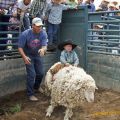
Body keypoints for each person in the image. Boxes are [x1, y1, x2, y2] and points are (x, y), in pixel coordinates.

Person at [18, 17, 47, 101]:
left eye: (41, 26)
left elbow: (44, 45)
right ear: (33, 25)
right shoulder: (25, 34)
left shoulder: (43, 33)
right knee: (32, 75)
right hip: (29, 55)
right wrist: (24, 57)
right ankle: (30, 94)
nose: (39, 28)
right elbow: (20, 47)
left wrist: (43, 49)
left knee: (41, 73)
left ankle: (37, 87)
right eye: (38, 26)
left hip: (38, 55)